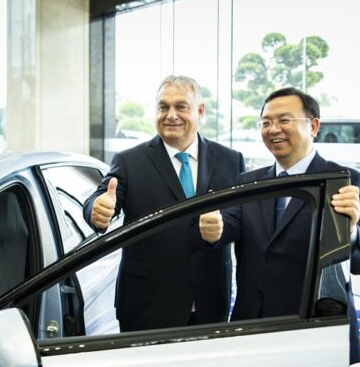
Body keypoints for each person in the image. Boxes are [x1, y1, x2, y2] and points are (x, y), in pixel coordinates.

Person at [199, 87, 360, 364]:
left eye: (284, 120)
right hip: (252, 325)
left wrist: (351, 232)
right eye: (266, 122)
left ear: (313, 126)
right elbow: (227, 225)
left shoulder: (346, 182)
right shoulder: (248, 183)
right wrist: (212, 230)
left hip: (316, 327)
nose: (273, 129)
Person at [84, 75, 245, 332]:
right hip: (146, 304)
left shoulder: (231, 160)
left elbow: (241, 219)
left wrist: (221, 228)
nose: (171, 115)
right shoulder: (129, 161)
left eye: (181, 106)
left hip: (210, 302)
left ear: (200, 111)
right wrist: (97, 210)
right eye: (163, 107)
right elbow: (101, 198)